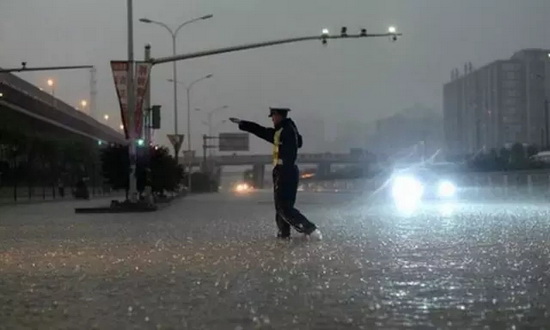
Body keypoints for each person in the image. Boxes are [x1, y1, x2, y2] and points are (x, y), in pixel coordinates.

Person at [230, 108, 322, 240]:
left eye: (273, 116)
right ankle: (283, 234)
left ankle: (309, 229)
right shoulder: (286, 130)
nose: (272, 119)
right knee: (282, 207)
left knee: (283, 207)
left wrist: (244, 124)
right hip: (286, 170)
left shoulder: (286, 131)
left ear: (278, 115)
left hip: (285, 171)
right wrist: (244, 124)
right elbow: (263, 131)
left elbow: (266, 133)